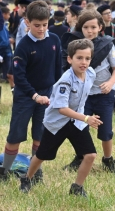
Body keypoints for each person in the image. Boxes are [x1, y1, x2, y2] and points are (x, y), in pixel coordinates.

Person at [20, 39, 99, 197]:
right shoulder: (65, 81)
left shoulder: (91, 74)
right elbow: (62, 109)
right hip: (57, 124)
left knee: (90, 155)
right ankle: (27, 178)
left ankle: (77, 187)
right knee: (42, 155)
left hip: (76, 123)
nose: (84, 62)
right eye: (79, 58)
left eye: (87, 58)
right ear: (70, 59)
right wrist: (86, 118)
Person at [0, 1, 62, 184]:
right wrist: (34, 96)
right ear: (26, 22)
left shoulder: (54, 40)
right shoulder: (23, 45)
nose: (41, 29)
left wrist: (54, 94)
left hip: (46, 95)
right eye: (36, 25)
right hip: (26, 96)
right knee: (16, 135)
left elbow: (58, 71)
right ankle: (4, 171)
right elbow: (19, 76)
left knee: (40, 135)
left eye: (45, 25)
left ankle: (35, 171)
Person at [60, 11, 115, 173]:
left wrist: (111, 82)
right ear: (80, 28)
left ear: (100, 27)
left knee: (105, 131)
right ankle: (81, 156)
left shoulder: (108, 44)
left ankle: (108, 159)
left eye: (93, 27)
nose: (90, 31)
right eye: (85, 27)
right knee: (79, 127)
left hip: (104, 94)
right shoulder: (75, 46)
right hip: (83, 96)